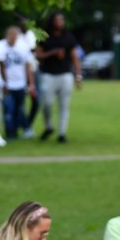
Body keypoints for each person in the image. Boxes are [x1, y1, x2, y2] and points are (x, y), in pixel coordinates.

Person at [36, 12, 82, 143]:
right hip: (48, 74)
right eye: (57, 19)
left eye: (62, 19)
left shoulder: (69, 37)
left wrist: (78, 75)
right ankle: (49, 126)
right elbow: (38, 55)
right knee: (46, 103)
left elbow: (75, 57)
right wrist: (53, 52)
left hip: (65, 74)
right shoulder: (45, 36)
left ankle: (62, 133)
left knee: (64, 105)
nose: (60, 22)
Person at [2, 26, 36, 140]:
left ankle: (16, 130)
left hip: (20, 84)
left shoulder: (23, 47)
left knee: (19, 109)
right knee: (8, 110)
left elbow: (28, 67)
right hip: (6, 84)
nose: (12, 39)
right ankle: (10, 133)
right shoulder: (0, 46)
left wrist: (31, 83)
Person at [19, 17, 39, 138]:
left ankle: (28, 125)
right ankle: (25, 127)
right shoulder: (16, 36)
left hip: (34, 71)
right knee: (20, 102)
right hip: (21, 73)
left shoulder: (35, 35)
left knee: (36, 101)